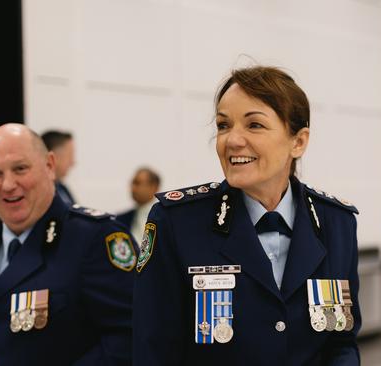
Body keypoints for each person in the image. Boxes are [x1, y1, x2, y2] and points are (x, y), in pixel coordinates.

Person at [133, 66, 362, 365]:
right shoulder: (177, 222)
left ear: (299, 141)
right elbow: (153, 349)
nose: (232, 140)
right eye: (223, 125)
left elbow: (341, 344)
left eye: (254, 125)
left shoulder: (336, 223)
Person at [0, 124, 137, 365]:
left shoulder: (94, 239)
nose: (8, 184)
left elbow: (129, 338)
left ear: (50, 166)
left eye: (20, 168)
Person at [116, 167, 160, 242]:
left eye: (137, 183)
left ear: (154, 187)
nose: (133, 188)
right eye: (132, 183)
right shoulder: (120, 220)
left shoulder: (164, 217)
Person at [41, 130, 76, 205]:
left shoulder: (61, 188)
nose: (72, 162)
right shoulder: (41, 195)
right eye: (69, 156)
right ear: (53, 158)